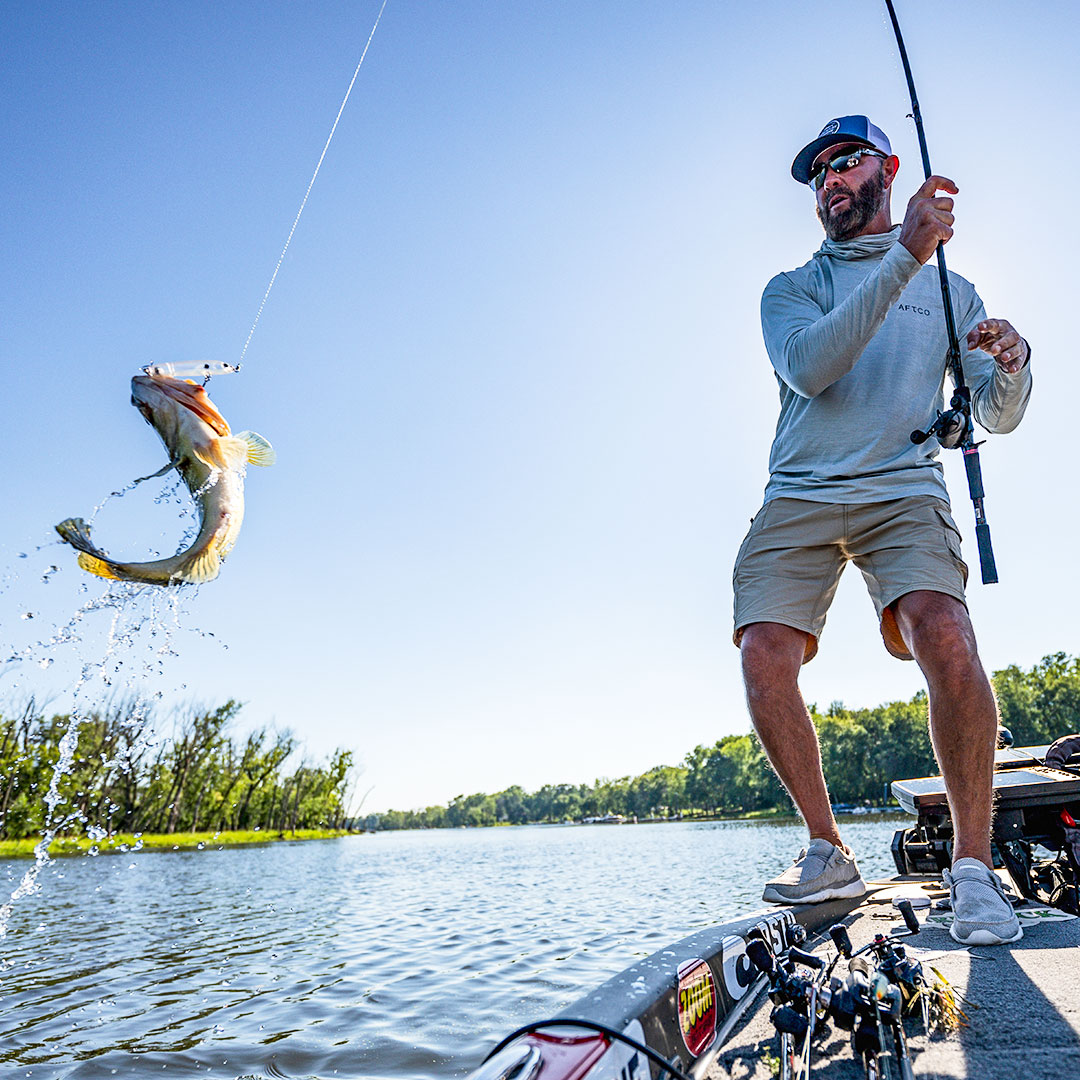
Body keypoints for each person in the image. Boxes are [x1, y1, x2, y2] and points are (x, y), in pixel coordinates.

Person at [733, 116, 1032, 946]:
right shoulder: (790, 288)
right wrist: (905, 254)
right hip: (799, 488)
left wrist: (1013, 363)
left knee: (946, 632)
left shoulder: (952, 292)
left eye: (844, 161)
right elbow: (810, 368)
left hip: (903, 486)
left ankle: (973, 868)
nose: (828, 178)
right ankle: (828, 851)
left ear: (888, 168)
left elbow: (994, 416)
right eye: (817, 171)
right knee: (763, 649)